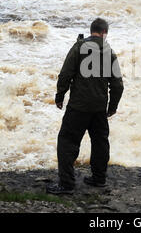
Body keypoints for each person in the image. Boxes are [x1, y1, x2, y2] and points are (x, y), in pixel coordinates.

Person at [47, 18, 124, 195]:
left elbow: (66, 73)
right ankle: (99, 179)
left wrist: (60, 95)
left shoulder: (79, 47)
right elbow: (118, 84)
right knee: (100, 142)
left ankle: (66, 184)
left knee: (67, 141)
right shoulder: (109, 51)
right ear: (105, 33)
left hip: (78, 107)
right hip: (99, 108)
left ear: (92, 31)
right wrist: (112, 106)